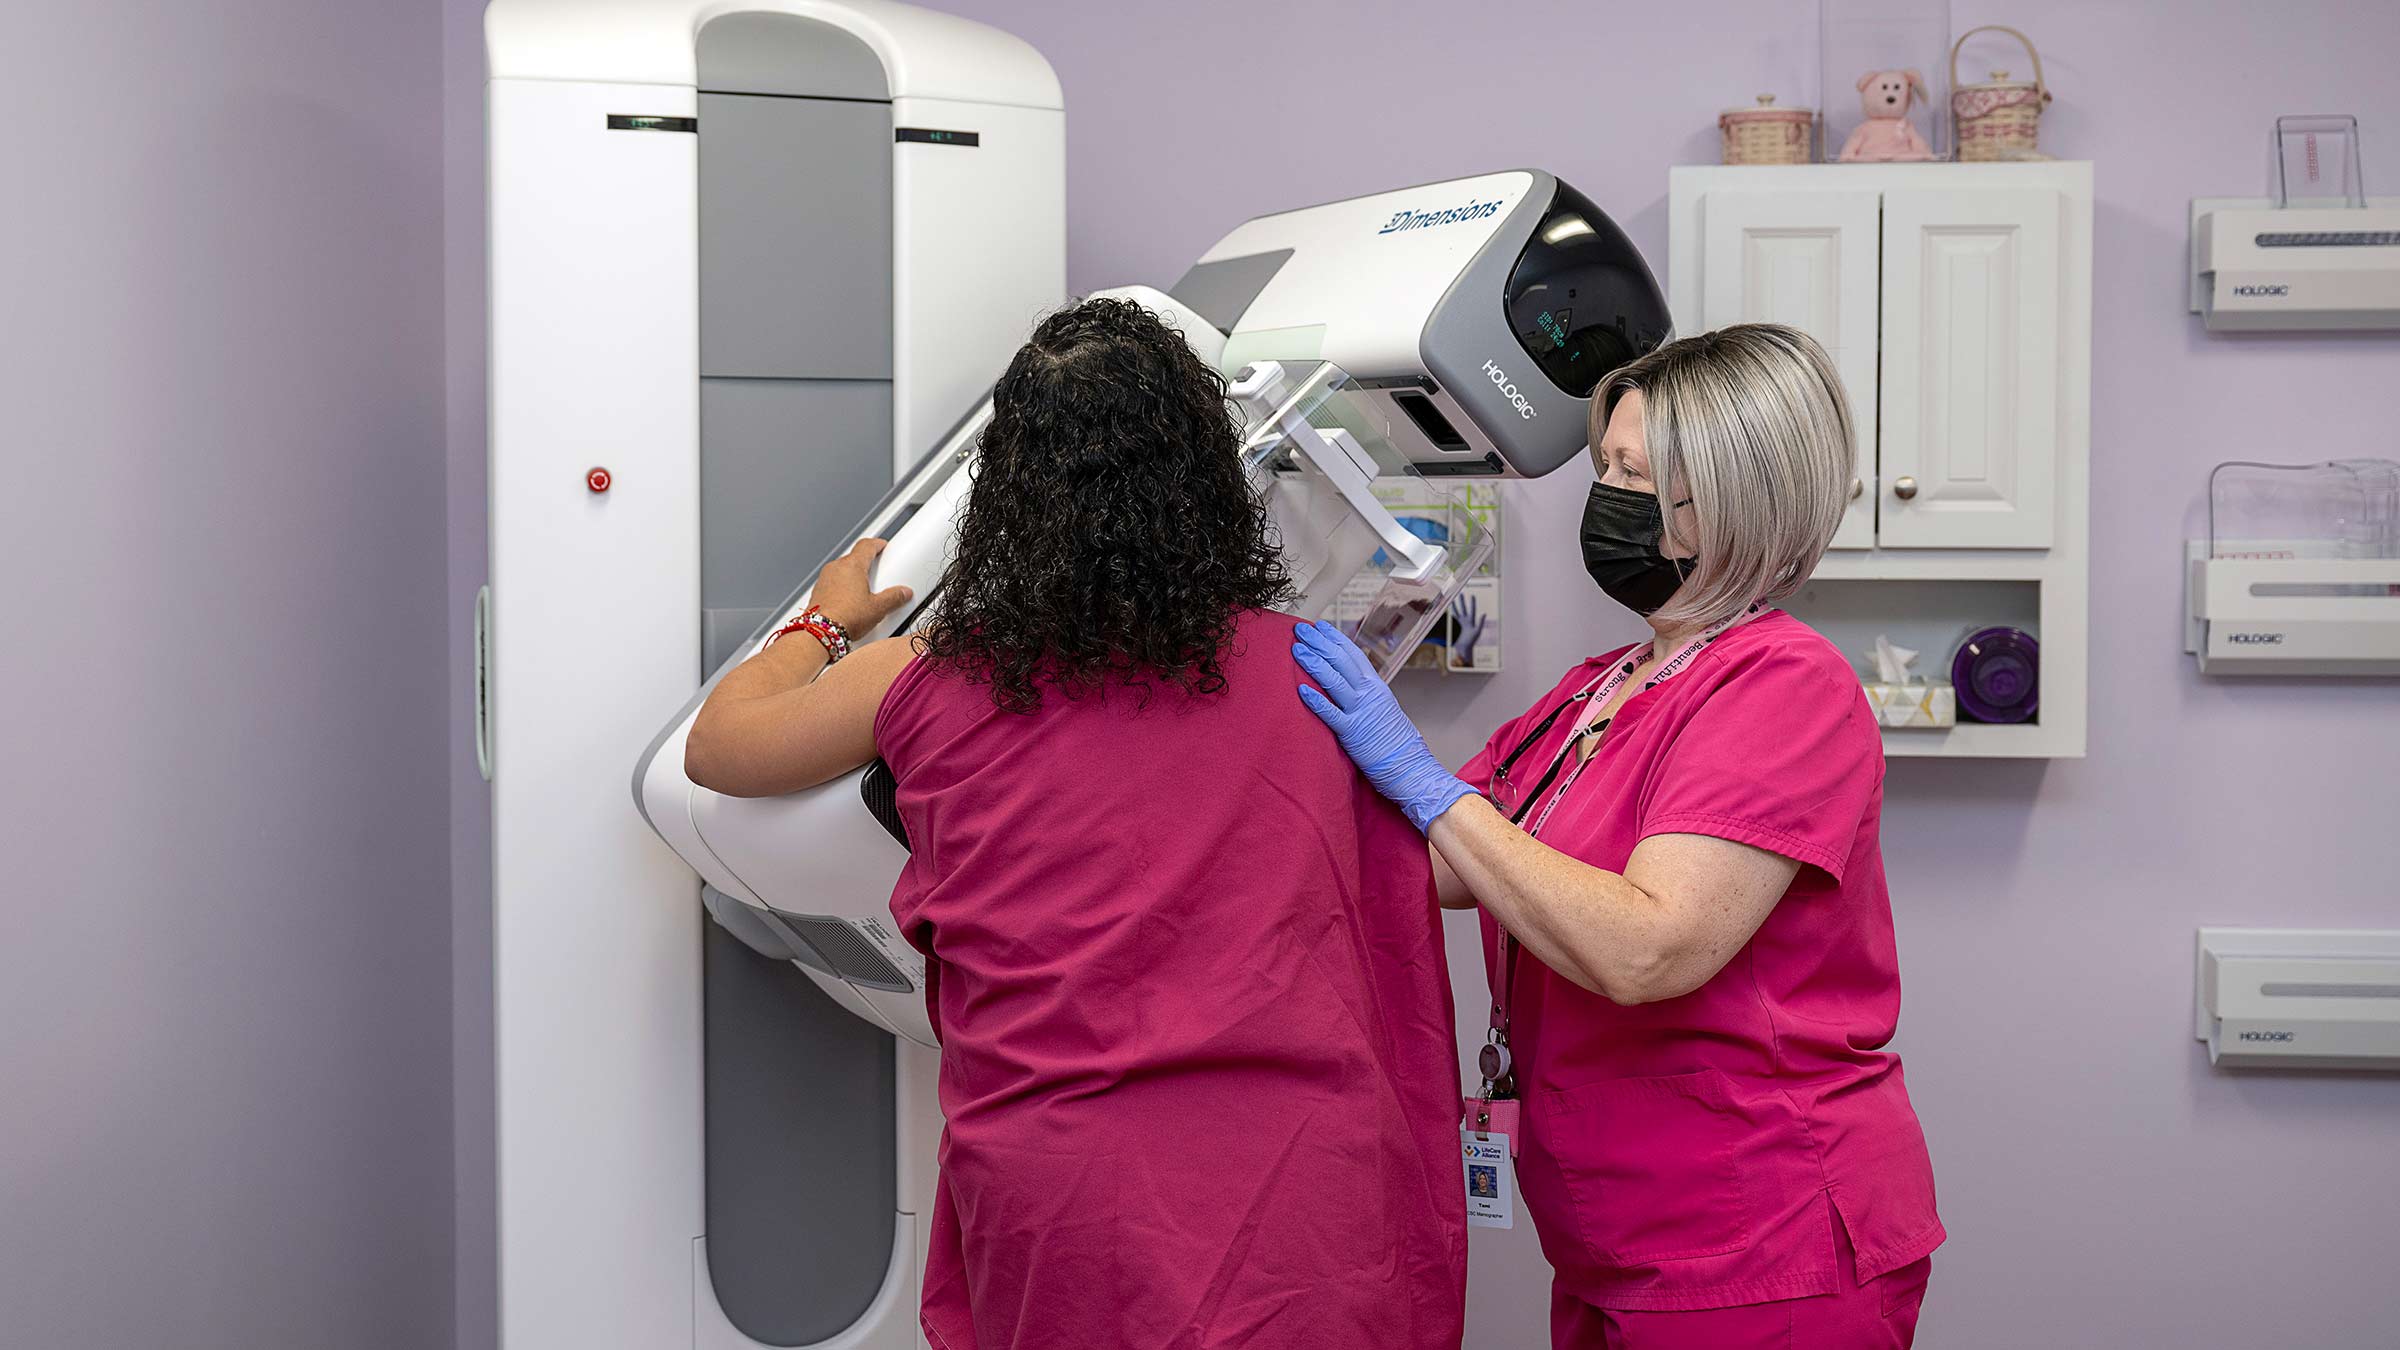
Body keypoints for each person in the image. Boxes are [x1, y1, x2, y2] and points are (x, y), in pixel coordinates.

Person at [683, 298, 1467, 1350]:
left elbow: (719, 748)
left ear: (1010, 493)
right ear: (1206, 482)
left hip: (1067, 1197)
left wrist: (828, 620)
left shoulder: (919, 681)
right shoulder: (1313, 671)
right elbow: (1404, 892)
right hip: (1292, 1184)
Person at [1295, 324, 1943, 1348]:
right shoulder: (1600, 690)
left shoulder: (1784, 686)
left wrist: (1418, 775)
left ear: (1719, 499)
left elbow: (1647, 949)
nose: (1603, 494)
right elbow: (1430, 860)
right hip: (1614, 1236)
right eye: (1605, 466)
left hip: (1760, 1243)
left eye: (1629, 472)